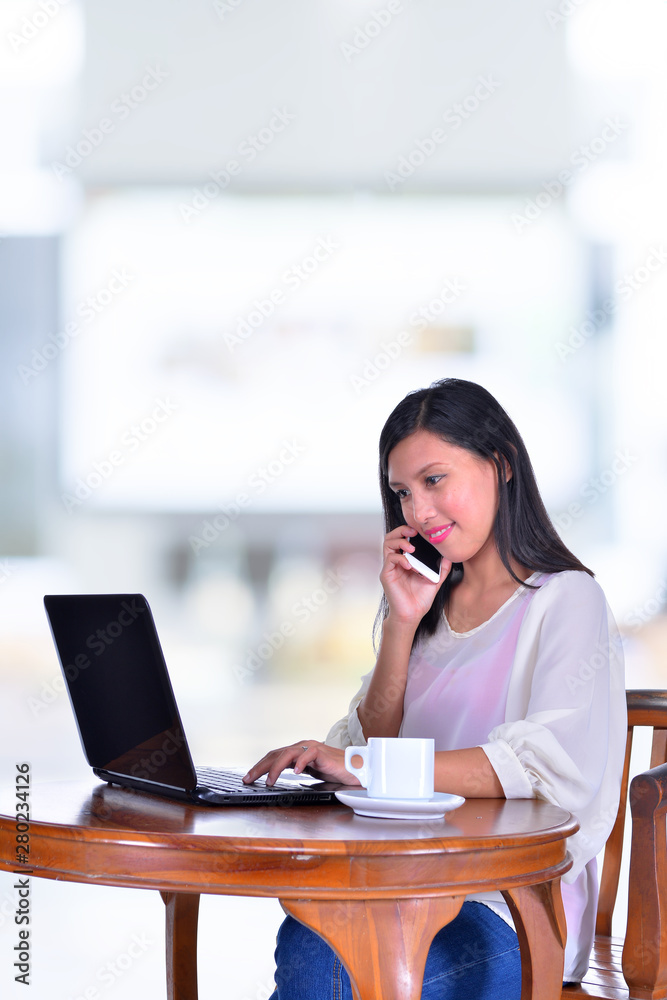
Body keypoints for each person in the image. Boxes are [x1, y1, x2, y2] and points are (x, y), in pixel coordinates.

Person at [243, 377, 626, 1000]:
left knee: (337, 963)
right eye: (402, 492)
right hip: (403, 882)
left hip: (513, 907)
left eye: (434, 480)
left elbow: (538, 766)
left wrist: (363, 764)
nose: (417, 512)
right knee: (314, 936)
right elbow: (368, 743)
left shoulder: (567, 600)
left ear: (500, 463)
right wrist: (401, 621)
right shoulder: (427, 610)